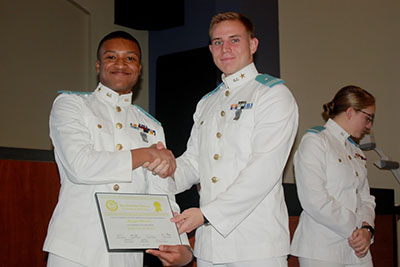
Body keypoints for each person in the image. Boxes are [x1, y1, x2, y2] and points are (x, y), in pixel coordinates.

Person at [150, 12, 299, 267]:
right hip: (210, 248)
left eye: (234, 40)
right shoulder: (207, 103)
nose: (225, 48)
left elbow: (263, 171)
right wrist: (163, 168)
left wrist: (206, 215)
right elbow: (194, 163)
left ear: (253, 45)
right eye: (218, 42)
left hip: (256, 245)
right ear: (210, 49)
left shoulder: (273, 95)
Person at [43, 30, 193, 267]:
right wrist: (145, 154)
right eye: (111, 57)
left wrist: (181, 245)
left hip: (127, 254)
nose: (121, 64)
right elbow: (81, 166)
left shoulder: (152, 127)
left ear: (140, 68)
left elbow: (160, 194)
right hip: (75, 250)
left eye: (130, 58)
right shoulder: (71, 105)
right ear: (98, 65)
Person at [290, 85, 376, 267]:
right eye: (367, 118)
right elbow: (314, 200)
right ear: (351, 112)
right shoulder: (316, 142)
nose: (369, 126)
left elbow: (365, 198)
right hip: (323, 248)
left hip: (357, 249)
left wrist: (367, 229)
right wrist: (356, 228)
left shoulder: (354, 149)